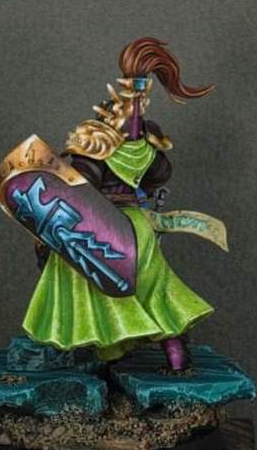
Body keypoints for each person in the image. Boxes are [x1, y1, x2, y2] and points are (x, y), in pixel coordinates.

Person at [21, 37, 216, 371]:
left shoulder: (95, 143)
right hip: (139, 227)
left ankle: (108, 355)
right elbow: (158, 175)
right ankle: (172, 354)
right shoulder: (147, 146)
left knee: (83, 282)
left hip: (102, 228)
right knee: (154, 290)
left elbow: (79, 192)